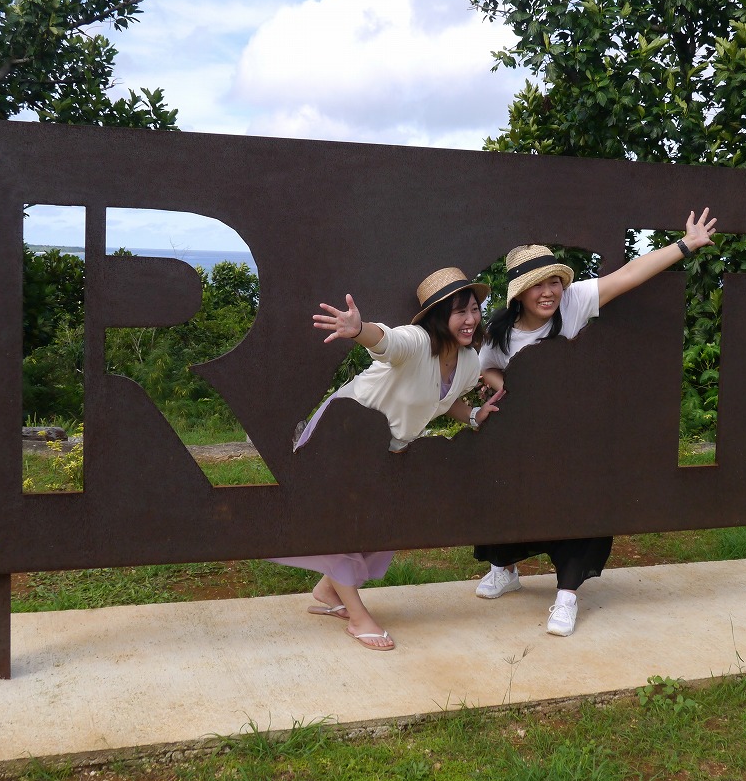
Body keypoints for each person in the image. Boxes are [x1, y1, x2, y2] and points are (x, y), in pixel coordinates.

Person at [474, 209, 718, 636]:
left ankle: (567, 596)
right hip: (530, 438)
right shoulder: (502, 333)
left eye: (554, 281)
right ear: (519, 293)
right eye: (537, 285)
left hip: (578, 433)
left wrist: (685, 245)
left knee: (583, 501)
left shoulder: (573, 302)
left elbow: (628, 276)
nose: (548, 292)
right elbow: (487, 369)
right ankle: (505, 569)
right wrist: (505, 385)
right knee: (508, 495)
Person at [277, 267, 505, 651]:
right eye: (459, 312)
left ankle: (329, 591)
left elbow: (445, 399)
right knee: (342, 523)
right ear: (439, 317)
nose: (470, 319)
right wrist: (359, 329)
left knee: (382, 525)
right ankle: (358, 618)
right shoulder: (417, 342)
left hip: (388, 450)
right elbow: (386, 340)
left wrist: (471, 416)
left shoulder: (468, 361)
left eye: (474, 310)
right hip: (344, 437)